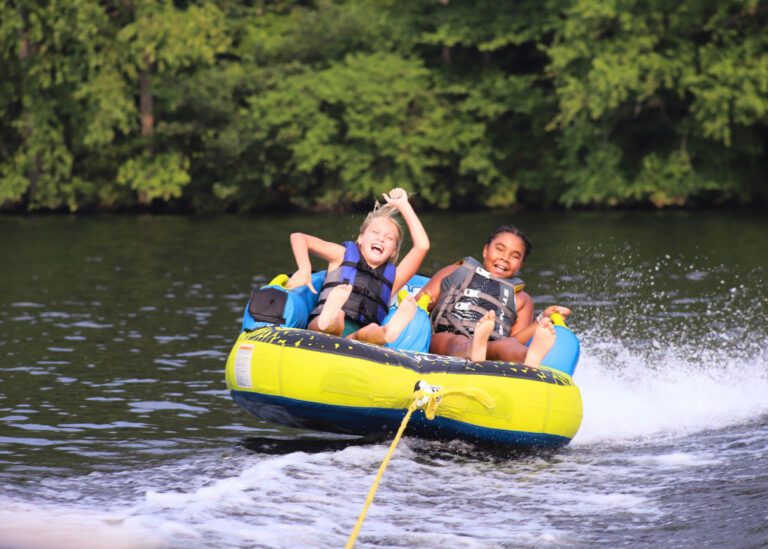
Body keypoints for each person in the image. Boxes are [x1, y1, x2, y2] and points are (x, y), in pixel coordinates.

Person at [285, 188, 429, 345]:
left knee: (372, 329)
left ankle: (388, 332)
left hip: (358, 341)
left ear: (393, 251)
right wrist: (304, 269)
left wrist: (404, 205)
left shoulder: (393, 278)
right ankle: (330, 314)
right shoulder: (341, 255)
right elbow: (299, 237)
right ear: (360, 238)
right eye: (375, 232)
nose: (381, 239)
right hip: (320, 329)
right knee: (338, 318)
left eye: (389, 238)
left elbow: (422, 246)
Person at [417, 225, 570, 366]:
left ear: (521, 265)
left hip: (490, 346)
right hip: (446, 338)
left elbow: (516, 339)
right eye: (499, 249)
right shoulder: (455, 272)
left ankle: (528, 358)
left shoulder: (521, 298)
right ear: (485, 250)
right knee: (457, 341)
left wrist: (543, 319)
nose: (505, 258)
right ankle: (473, 348)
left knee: (509, 346)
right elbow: (420, 304)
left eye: (515, 256)